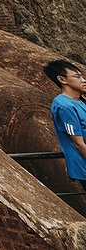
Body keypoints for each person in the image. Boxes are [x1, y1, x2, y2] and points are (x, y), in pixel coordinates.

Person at [46, 60, 86, 192]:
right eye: (77, 77)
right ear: (62, 79)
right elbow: (78, 143)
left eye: (82, 76)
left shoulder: (78, 101)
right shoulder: (64, 106)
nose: (83, 80)